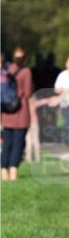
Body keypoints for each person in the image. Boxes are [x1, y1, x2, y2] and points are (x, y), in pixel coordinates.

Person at [1, 47, 33, 180]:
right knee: (18, 143)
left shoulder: (7, 70)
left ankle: (3, 172)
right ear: (25, 58)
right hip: (20, 113)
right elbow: (27, 93)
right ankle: (13, 171)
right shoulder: (26, 71)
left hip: (7, 113)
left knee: (7, 142)